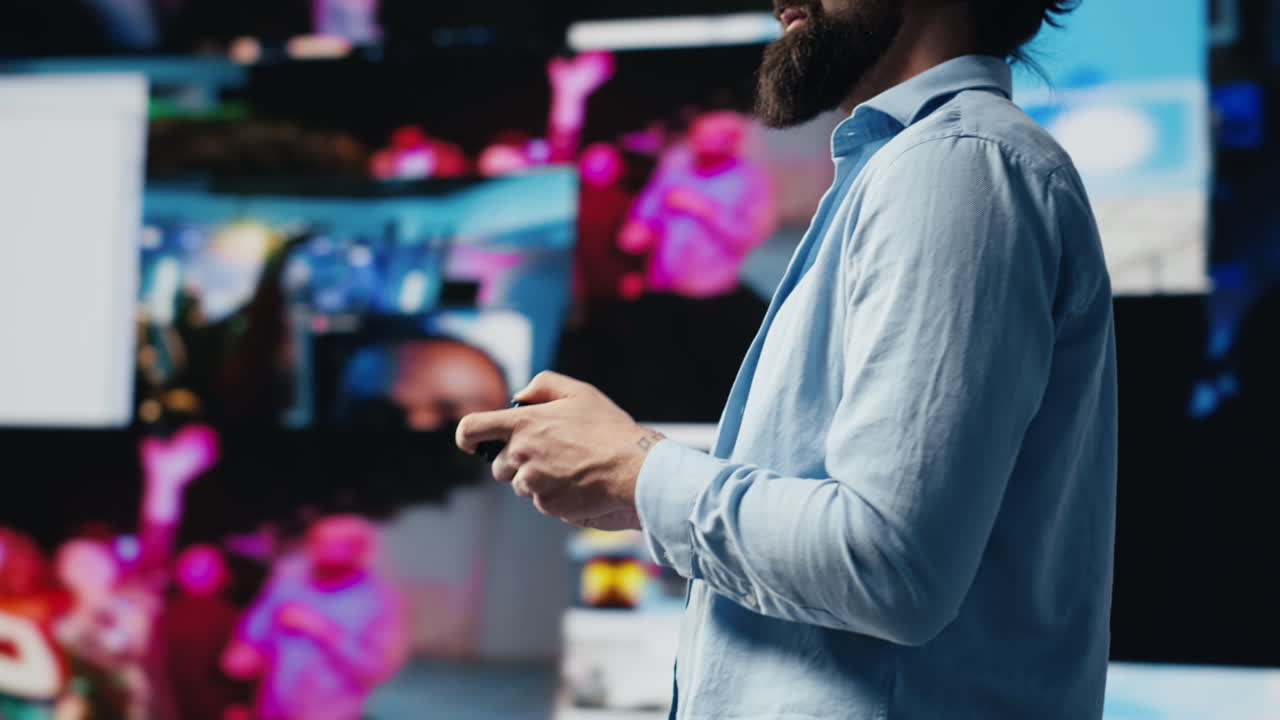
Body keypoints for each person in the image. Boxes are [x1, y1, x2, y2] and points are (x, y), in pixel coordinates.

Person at [457, 1, 1117, 718]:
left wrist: (638, 469)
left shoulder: (954, 169)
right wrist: (631, 493)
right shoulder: (910, 166)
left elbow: (889, 565)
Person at [618, 110, 777, 420]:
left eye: (718, 136)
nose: (708, 142)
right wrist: (633, 240)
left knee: (707, 382)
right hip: (665, 294)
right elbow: (641, 224)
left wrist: (705, 209)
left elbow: (752, 234)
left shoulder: (750, 179)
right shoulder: (674, 174)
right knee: (661, 378)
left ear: (734, 140)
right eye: (702, 134)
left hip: (714, 299)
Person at [222, 515, 407, 720]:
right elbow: (249, 644)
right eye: (319, 541)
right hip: (271, 712)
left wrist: (326, 633)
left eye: (337, 543)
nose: (324, 549)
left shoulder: (378, 601)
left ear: (360, 549)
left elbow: (377, 668)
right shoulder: (286, 589)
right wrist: (240, 680)